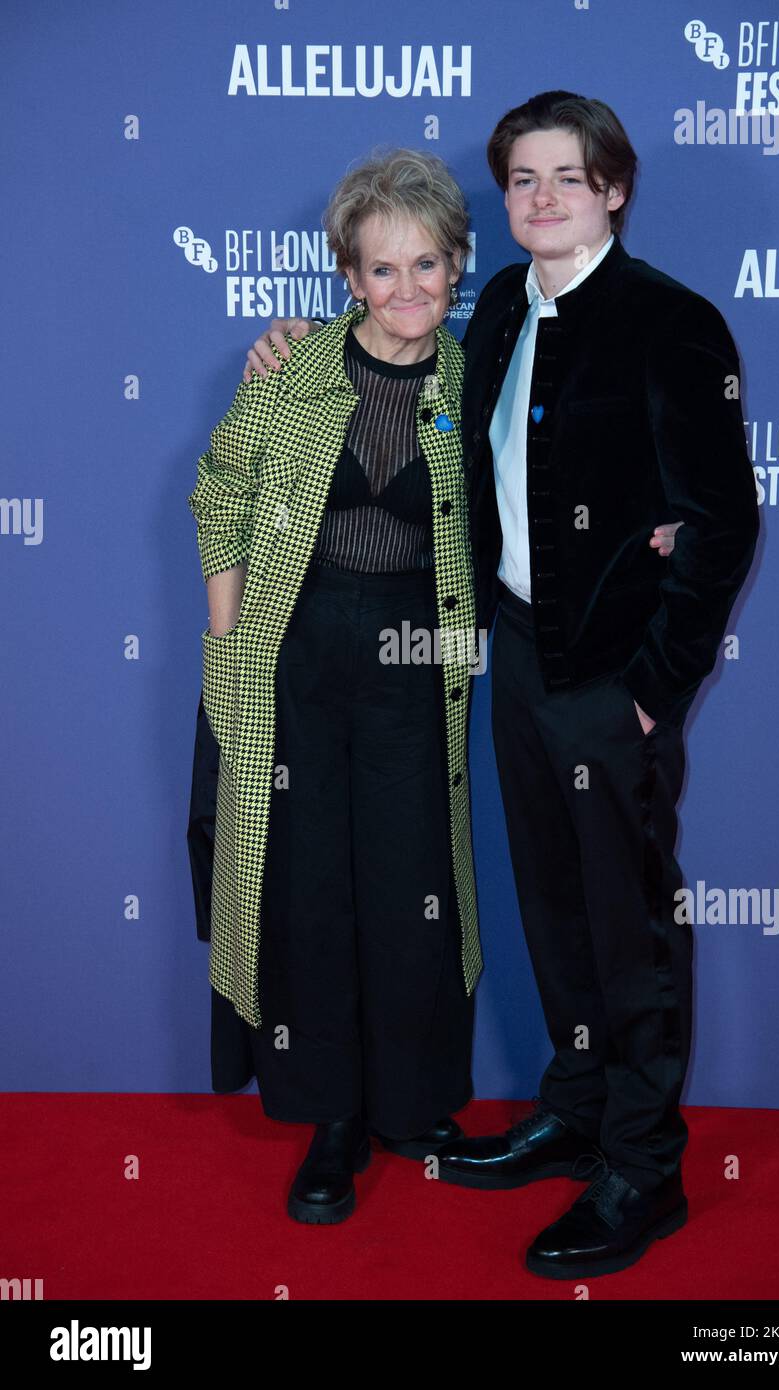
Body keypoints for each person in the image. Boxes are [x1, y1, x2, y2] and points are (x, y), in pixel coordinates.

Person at [243, 91, 758, 1278]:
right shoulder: (497, 322)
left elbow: (721, 523)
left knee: (628, 929)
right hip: (516, 656)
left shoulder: (670, 324)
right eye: (520, 179)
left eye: (563, 178)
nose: (537, 198)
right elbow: (382, 372)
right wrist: (287, 343)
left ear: (612, 190)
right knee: (553, 909)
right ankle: (575, 1113)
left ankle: (641, 1165)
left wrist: (652, 686)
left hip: (609, 679)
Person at [187, 149, 481, 1225]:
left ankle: (410, 1105)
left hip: (420, 660)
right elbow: (218, 496)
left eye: (427, 265)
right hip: (295, 656)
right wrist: (229, 648)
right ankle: (331, 1120)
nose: (408, 290)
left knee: (413, 886)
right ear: (348, 277)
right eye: (382, 269)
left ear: (455, 265)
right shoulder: (290, 371)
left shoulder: (473, 377)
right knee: (307, 889)